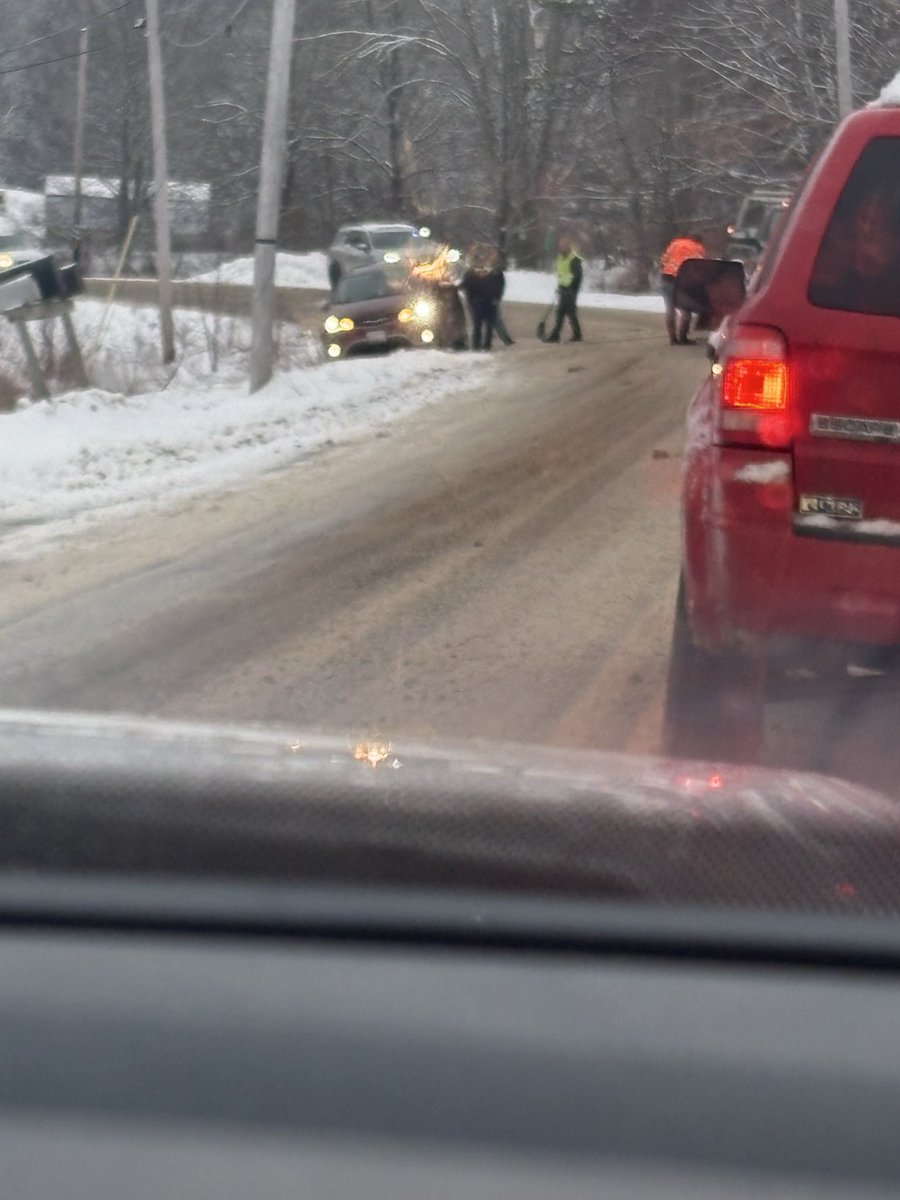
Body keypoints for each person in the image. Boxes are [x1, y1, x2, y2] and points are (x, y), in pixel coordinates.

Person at [659, 232, 706, 345]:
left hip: (667, 278)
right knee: (685, 309)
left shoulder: (675, 243)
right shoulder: (698, 248)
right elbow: (699, 267)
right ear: (698, 241)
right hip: (684, 281)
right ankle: (682, 338)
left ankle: (673, 338)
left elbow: (663, 261)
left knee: (670, 309)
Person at [544, 237, 583, 343]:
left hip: (571, 289)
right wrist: (560, 286)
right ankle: (572, 334)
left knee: (568, 312)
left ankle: (559, 335)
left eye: (564, 245)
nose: (561, 247)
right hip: (563, 288)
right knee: (563, 312)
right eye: (561, 245)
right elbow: (562, 273)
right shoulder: (560, 257)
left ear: (569, 246)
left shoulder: (574, 259)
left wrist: (572, 288)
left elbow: (578, 276)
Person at [461, 251, 499, 350]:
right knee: (479, 324)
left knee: (486, 325)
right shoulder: (471, 274)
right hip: (479, 302)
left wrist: (496, 297)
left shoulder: (494, 273)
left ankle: (484, 345)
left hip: (486, 302)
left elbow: (498, 287)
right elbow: (465, 285)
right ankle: (478, 345)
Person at [490, 249, 514, 346]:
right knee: (491, 319)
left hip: (492, 298)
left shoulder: (497, 272)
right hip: (487, 297)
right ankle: (503, 338)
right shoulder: (493, 270)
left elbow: (499, 287)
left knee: (496, 320)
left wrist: (496, 297)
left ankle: (506, 339)